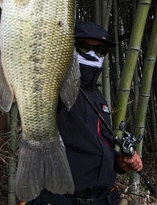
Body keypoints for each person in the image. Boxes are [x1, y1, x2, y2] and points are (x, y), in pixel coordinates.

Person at [24, 22, 143, 205]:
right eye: (83, 46)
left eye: (100, 50)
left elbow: (97, 148)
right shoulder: (54, 87)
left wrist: (119, 163)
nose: (93, 54)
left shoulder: (98, 97)